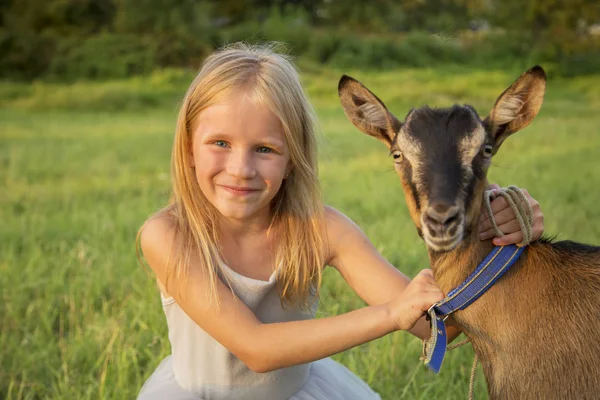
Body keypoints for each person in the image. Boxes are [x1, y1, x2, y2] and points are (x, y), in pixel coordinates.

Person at [136, 43, 544, 400]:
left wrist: (495, 225)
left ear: (293, 157)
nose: (240, 169)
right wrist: (390, 314)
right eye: (220, 143)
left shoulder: (320, 229)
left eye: (264, 148)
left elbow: (439, 326)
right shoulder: (168, 235)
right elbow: (256, 348)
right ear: (188, 147)